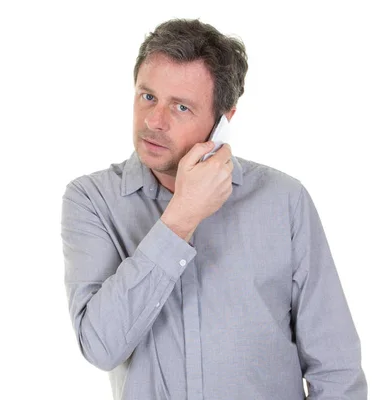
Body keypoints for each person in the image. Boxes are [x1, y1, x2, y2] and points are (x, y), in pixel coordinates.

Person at [60, 18, 367, 400]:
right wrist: (181, 217)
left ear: (224, 119)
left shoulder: (284, 200)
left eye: (181, 107)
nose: (154, 121)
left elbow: (336, 369)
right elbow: (100, 346)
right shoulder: (92, 200)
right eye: (148, 97)